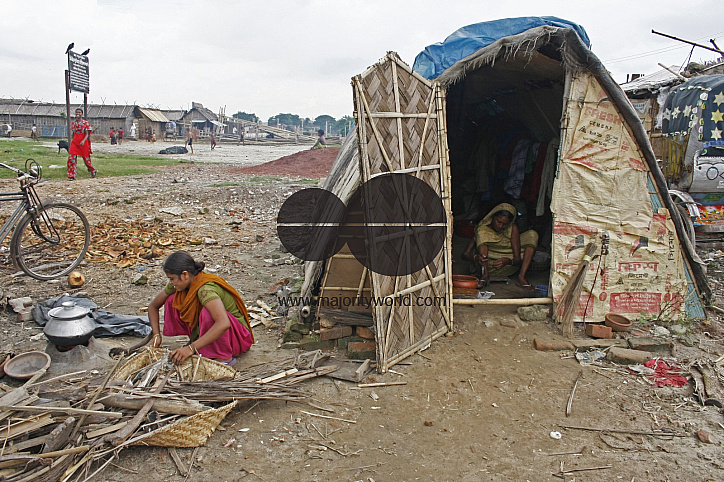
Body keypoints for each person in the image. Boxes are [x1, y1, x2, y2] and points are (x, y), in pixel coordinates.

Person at [148, 251, 254, 365]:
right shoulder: (181, 284)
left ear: (185, 275)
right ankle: (199, 343)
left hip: (236, 338)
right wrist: (156, 335)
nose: (171, 282)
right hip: (215, 331)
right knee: (172, 300)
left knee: (207, 313)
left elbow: (223, 323)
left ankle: (222, 357)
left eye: (172, 278)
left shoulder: (205, 289)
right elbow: (153, 306)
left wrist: (190, 348)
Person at [462, 203, 537, 291]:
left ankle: (521, 277)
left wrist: (508, 261)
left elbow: (517, 259)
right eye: (498, 222)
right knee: (482, 232)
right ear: (493, 217)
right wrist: (476, 258)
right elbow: (465, 254)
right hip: (488, 266)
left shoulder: (512, 229)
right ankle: (485, 274)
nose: (500, 226)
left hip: (508, 268)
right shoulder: (482, 229)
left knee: (532, 235)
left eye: (505, 224)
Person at [67, 108, 97, 180]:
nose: (78, 114)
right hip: (75, 141)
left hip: (83, 141)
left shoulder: (85, 123)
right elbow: (73, 133)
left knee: (86, 159)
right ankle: (71, 175)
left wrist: (83, 141)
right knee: (71, 158)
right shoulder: (73, 123)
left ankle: (92, 170)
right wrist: (71, 141)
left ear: (82, 114)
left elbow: (87, 134)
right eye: (76, 112)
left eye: (79, 112)